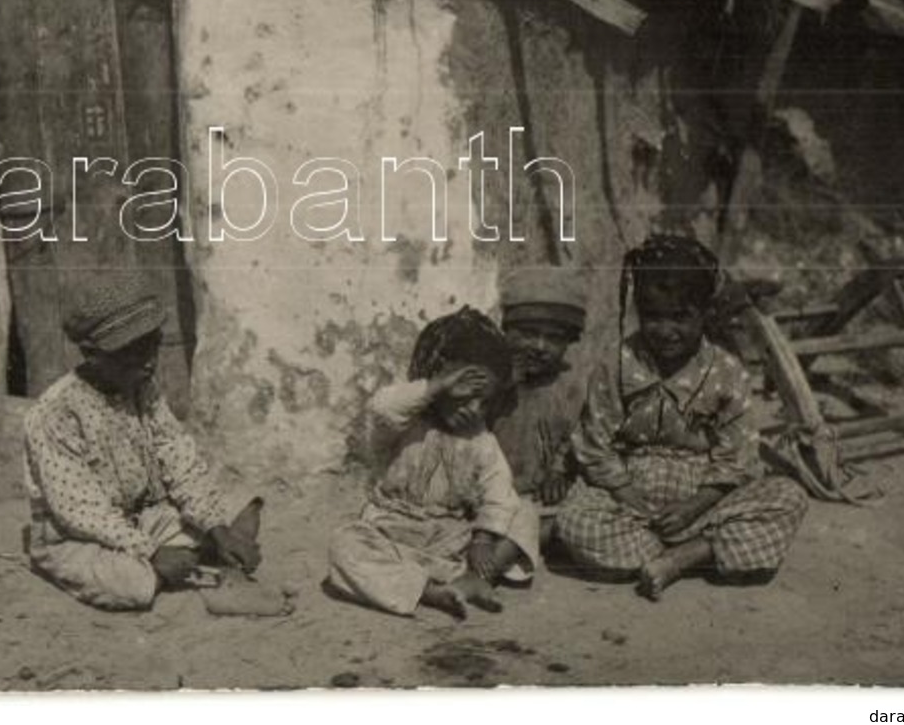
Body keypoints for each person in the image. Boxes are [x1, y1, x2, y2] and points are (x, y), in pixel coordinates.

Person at [555, 235, 809, 600]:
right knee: (575, 521)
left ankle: (690, 554)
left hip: (704, 498)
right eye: (653, 317)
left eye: (680, 317)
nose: (665, 330)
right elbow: (595, 443)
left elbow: (737, 457)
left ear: (705, 314)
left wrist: (695, 507)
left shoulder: (727, 371)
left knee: (789, 496)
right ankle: (695, 552)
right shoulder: (617, 363)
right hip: (629, 497)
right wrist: (629, 497)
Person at [23, 274, 262, 611]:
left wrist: (217, 528)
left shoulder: (142, 387)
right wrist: (150, 551)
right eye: (132, 354)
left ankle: (194, 554)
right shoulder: (55, 413)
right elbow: (81, 512)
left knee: (243, 505)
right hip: (79, 537)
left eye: (153, 346)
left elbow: (179, 460)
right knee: (130, 585)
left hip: (147, 515)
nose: (149, 362)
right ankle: (168, 566)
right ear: (92, 354)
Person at [327, 307, 540, 620]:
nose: (474, 410)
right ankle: (426, 591)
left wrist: (482, 540)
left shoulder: (480, 440)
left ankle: (477, 579)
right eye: (464, 396)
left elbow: (498, 493)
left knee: (524, 512)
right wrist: (436, 388)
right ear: (434, 379)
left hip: (454, 543)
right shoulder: (404, 424)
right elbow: (381, 408)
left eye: (484, 401)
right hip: (393, 536)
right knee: (344, 544)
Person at [488, 266, 591, 512]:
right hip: (486, 490)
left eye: (554, 338)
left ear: (569, 342)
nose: (540, 347)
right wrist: (503, 385)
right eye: (528, 333)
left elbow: (575, 439)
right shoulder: (487, 377)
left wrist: (559, 473)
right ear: (506, 329)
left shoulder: (572, 387)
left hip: (539, 498)